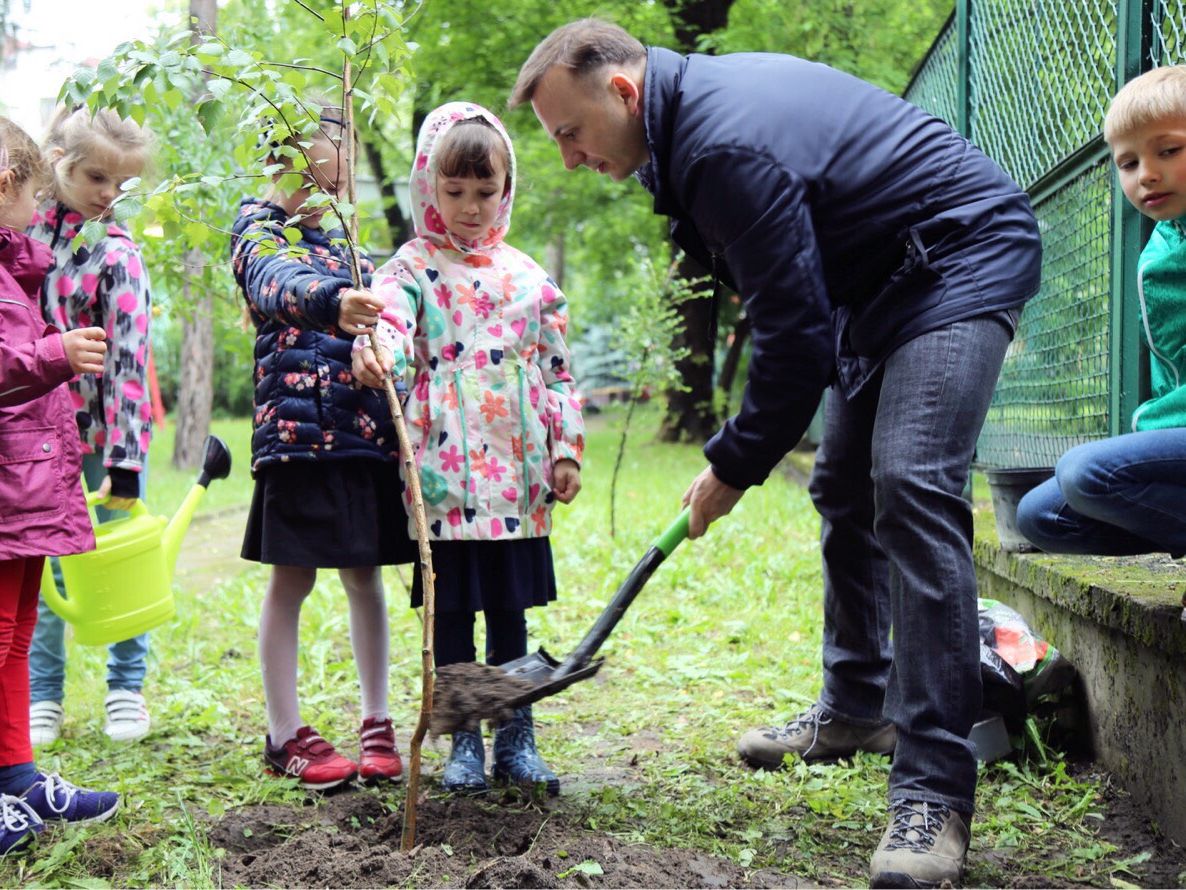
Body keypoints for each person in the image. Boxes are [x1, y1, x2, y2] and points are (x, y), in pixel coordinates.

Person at [510, 19, 1042, 887]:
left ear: (622, 91)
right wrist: (743, 450)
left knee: (908, 483)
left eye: (570, 134)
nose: (569, 158)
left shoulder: (721, 145)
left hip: (960, 256)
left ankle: (935, 791)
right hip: (882, 286)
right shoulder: (685, 135)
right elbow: (793, 302)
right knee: (841, 483)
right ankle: (855, 708)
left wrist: (731, 464)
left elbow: (792, 344)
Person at [352, 102, 585, 796]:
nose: (471, 207)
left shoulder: (528, 278)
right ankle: (462, 746)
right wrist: (378, 354)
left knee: (509, 612)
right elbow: (390, 324)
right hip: (442, 476)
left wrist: (565, 449)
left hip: (515, 479)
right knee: (450, 612)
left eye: (486, 192)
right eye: (454, 193)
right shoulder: (413, 268)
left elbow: (557, 369)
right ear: (429, 186)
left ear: (506, 188)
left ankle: (517, 737)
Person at [0, 110, 120, 855]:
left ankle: (17, 775)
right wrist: (52, 355)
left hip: (26, 486)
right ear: (4, 184)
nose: (41, 211)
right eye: (34, 194)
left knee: (16, 636)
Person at [230, 103, 414, 791]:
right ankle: (284, 734)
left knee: (365, 575)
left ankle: (377, 720)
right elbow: (274, 284)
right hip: (297, 439)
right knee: (293, 577)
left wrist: (377, 351)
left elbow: (387, 326)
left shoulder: (353, 244)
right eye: (326, 165)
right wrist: (334, 302)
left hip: (360, 433)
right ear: (286, 158)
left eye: (343, 170)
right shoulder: (258, 228)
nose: (335, 182)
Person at [1016, 66, 1186, 572]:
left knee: (1084, 472)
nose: (1146, 175)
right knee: (1039, 514)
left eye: (1169, 151)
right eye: (1128, 162)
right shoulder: (1163, 244)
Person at [26, 105, 156, 746]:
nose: (108, 195)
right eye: (94, 178)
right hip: (33, 437)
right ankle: (42, 694)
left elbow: (130, 361)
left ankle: (126, 688)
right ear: (58, 161)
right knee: (44, 565)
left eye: (121, 185)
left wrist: (128, 461)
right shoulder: (20, 233)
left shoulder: (119, 254)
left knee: (120, 561)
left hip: (106, 442)